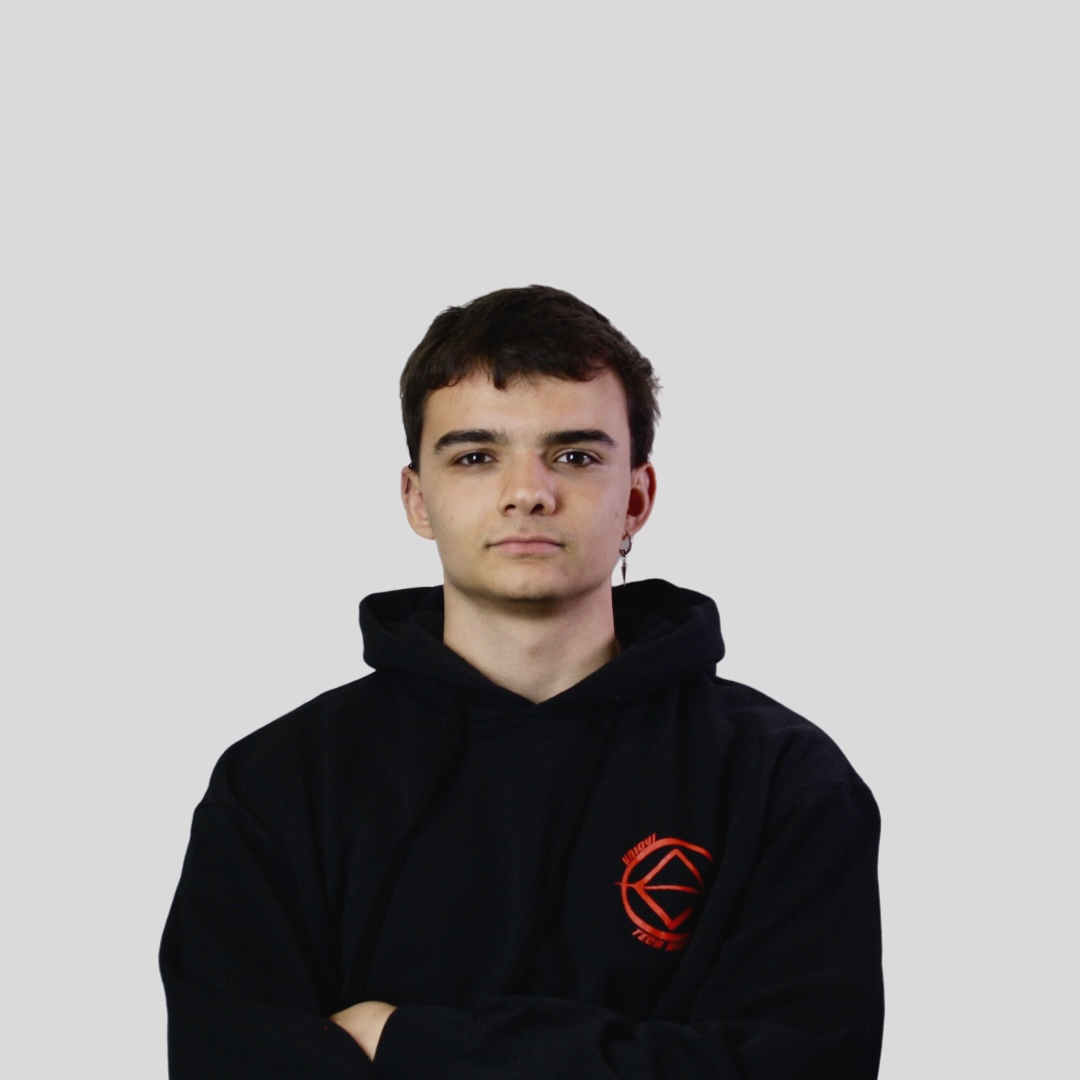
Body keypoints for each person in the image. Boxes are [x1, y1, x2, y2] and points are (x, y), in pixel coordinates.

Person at [160, 285, 884, 1078]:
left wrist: (406, 1044)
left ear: (636, 497)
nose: (528, 492)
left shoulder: (781, 780)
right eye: (476, 456)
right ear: (417, 499)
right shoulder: (280, 782)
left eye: (575, 456)